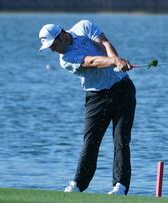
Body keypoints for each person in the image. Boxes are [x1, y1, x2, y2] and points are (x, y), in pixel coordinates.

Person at [38, 20, 136, 195]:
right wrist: (115, 62)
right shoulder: (65, 59)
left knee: (121, 139)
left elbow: (104, 43)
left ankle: (120, 186)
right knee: (91, 141)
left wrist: (116, 59)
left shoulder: (84, 26)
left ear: (61, 35)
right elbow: (91, 62)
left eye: (53, 45)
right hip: (96, 97)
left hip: (123, 90)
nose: (53, 50)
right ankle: (78, 184)